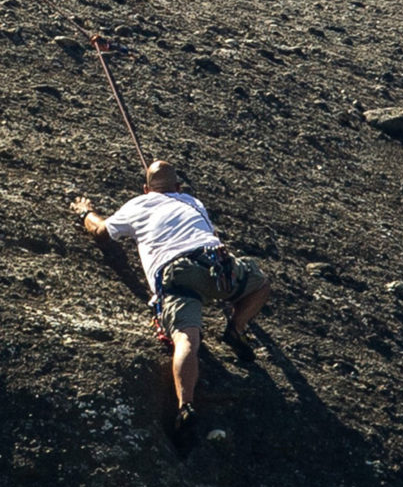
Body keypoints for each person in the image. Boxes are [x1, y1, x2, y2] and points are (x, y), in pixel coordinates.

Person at [70, 160, 270, 441]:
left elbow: (101, 232)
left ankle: (186, 406)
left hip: (175, 273)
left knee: (186, 340)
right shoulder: (192, 202)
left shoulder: (137, 205)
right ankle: (236, 328)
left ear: (145, 189)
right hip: (215, 266)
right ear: (178, 186)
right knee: (260, 283)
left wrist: (85, 212)